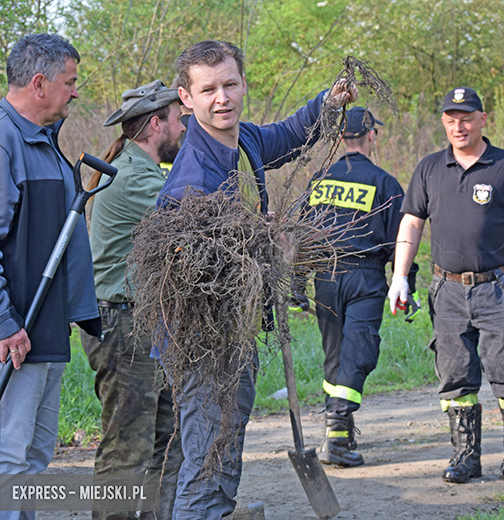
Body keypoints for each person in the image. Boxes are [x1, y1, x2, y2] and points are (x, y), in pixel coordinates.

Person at [155, 40, 356, 519]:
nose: (221, 98)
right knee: (209, 467)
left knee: (214, 458)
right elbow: (190, 272)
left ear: (243, 85)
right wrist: (269, 255)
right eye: (207, 90)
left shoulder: (242, 142)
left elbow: (289, 136)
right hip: (203, 345)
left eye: (229, 84)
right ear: (186, 99)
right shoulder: (193, 178)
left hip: (233, 335)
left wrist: (326, 105)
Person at [390, 87, 504, 484]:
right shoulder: (428, 168)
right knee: (456, 377)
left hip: (495, 287)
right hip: (447, 290)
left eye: (466, 118)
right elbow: (411, 223)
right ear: (443, 122)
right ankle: (465, 457)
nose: (459, 126)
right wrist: (400, 277)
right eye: (450, 119)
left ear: (483, 119)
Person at [0, 34, 100, 519]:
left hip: (45, 329)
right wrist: (4, 323)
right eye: (70, 82)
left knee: (36, 460)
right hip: (15, 335)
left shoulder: (45, 142)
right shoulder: (4, 141)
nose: (75, 92)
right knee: (10, 460)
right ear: (39, 83)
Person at [81, 79, 187, 520]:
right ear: (156, 125)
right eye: (180, 120)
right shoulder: (135, 178)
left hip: (139, 324)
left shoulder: (140, 170)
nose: (185, 129)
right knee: (128, 447)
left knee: (167, 438)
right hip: (123, 327)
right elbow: (195, 226)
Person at [302, 106, 410, 467]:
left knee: (335, 354)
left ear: (340, 139)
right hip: (365, 276)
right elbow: (402, 241)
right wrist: (405, 282)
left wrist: (295, 283)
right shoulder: (385, 183)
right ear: (371, 136)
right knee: (358, 352)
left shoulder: (319, 180)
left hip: (326, 277)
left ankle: (340, 431)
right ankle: (336, 435)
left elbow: (297, 236)